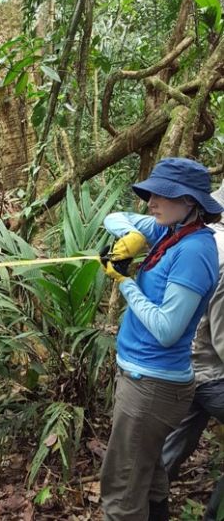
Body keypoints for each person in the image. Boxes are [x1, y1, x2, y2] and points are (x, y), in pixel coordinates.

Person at [99, 157, 223, 521]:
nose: (151, 201)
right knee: (150, 477)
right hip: (144, 379)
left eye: (161, 195)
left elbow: (168, 329)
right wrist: (132, 237)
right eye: (150, 193)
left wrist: (126, 284)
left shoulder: (195, 252)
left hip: (152, 386)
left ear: (189, 201)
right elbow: (114, 218)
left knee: (122, 492)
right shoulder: (169, 231)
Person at [162, 181, 224, 521]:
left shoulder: (188, 237)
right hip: (212, 373)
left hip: (181, 369)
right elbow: (221, 335)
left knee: (170, 451)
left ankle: (143, 509)